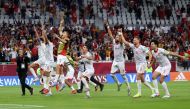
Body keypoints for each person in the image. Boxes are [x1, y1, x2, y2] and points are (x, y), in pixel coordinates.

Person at [120, 31, 155, 98]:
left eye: (135, 40)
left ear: (138, 41)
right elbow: (125, 42)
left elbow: (150, 54)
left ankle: (139, 93)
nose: (133, 41)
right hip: (137, 65)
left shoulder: (142, 47)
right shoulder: (133, 46)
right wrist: (121, 34)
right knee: (143, 80)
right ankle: (152, 89)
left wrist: (148, 62)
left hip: (143, 64)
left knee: (137, 76)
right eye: (133, 40)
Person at [104, 21, 131, 95]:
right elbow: (110, 34)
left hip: (121, 61)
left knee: (123, 75)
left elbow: (122, 40)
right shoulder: (114, 41)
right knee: (112, 74)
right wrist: (107, 25)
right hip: (115, 61)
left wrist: (120, 33)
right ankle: (118, 83)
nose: (116, 38)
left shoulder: (122, 43)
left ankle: (128, 87)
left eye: (117, 37)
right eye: (116, 37)